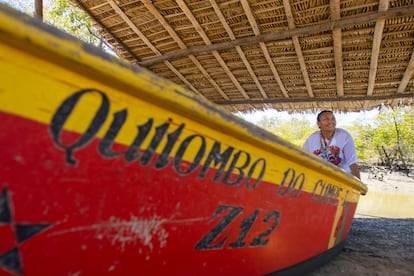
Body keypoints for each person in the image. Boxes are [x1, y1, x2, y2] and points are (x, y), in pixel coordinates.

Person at [303, 110, 360, 179]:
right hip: (320, 179)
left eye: (333, 119)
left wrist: (358, 185)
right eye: (326, 119)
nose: (330, 122)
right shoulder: (312, 138)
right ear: (318, 124)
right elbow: (303, 158)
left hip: (343, 179)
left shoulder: (344, 136)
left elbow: (352, 163)